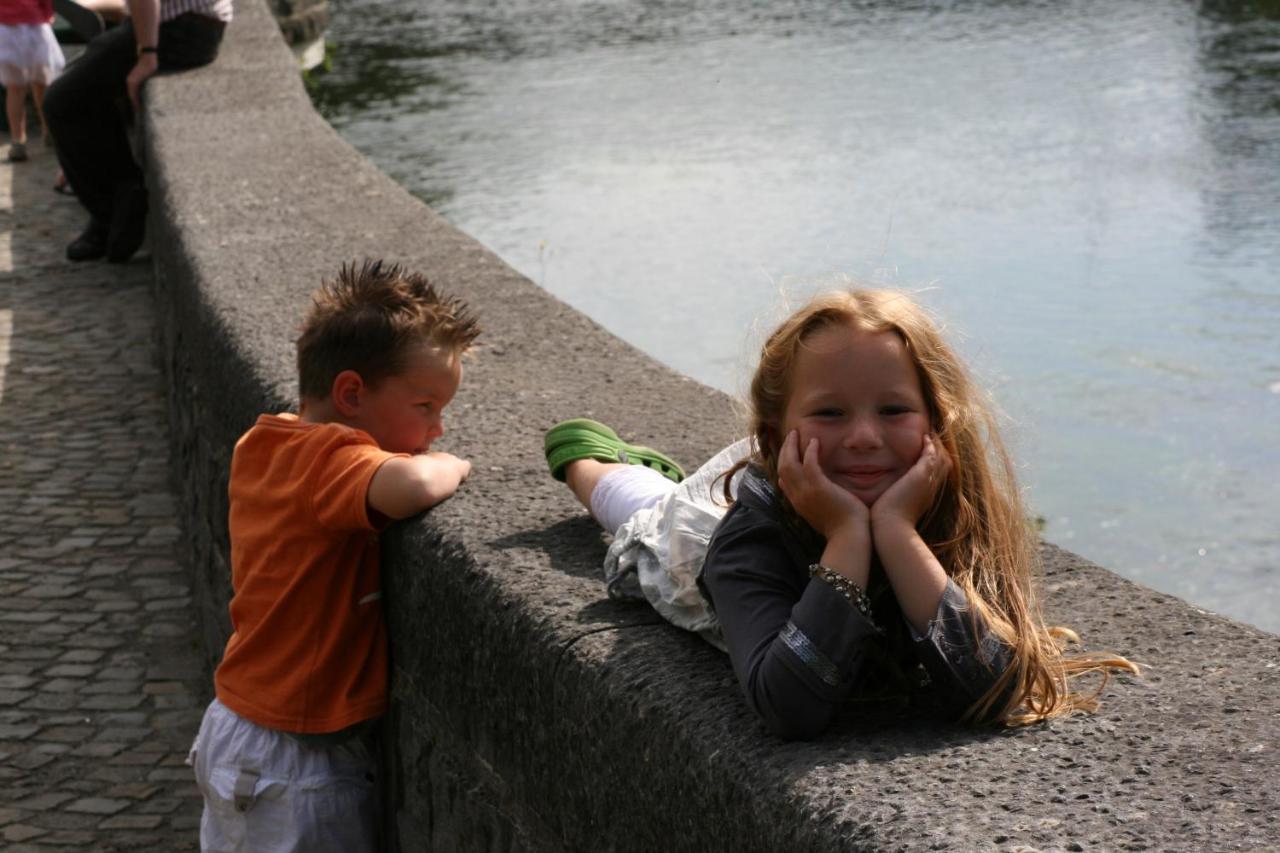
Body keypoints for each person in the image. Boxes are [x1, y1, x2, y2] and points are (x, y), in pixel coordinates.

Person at [545, 289, 1137, 740]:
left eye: (893, 409)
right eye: (829, 412)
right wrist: (850, 535)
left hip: (804, 481)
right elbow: (789, 709)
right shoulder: (744, 543)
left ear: (939, 419)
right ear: (777, 431)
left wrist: (898, 532)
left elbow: (999, 687)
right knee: (644, 524)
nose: (862, 437)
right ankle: (593, 458)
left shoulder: (958, 507)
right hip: (696, 537)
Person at [187, 261, 481, 851]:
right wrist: (451, 467)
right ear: (351, 393)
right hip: (294, 759)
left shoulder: (266, 440)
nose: (439, 427)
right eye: (425, 406)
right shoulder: (328, 458)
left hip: (245, 728)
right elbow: (413, 489)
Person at [42, 0, 231, 263]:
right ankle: (113, 206)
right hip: (199, 26)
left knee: (59, 102)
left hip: (174, 31)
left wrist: (147, 54)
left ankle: (114, 207)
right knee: (86, 74)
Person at [0, 0, 65, 162]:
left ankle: (39, 134)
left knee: (35, 84)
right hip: (16, 27)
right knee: (23, 86)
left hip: (30, 26)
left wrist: (47, 12)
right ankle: (21, 139)